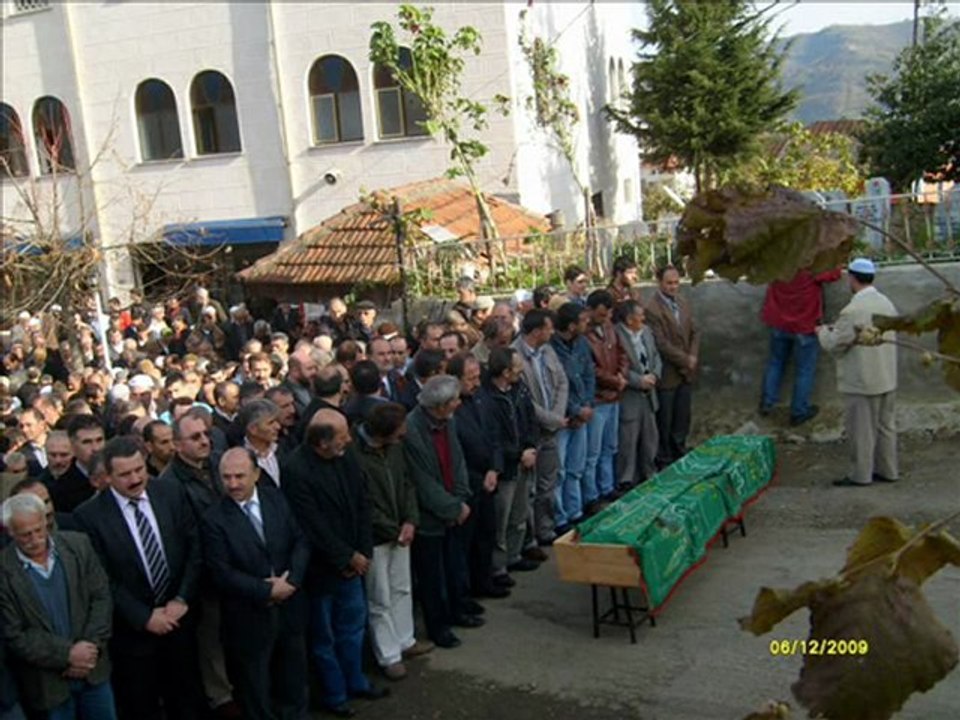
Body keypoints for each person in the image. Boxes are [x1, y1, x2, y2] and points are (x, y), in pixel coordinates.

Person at [74, 437, 206, 720]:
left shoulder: (170, 492)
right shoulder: (89, 517)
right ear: (107, 477)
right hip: (132, 636)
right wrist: (144, 617)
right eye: (125, 474)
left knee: (187, 701)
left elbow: (194, 548)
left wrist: (182, 598)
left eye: (139, 469)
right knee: (140, 706)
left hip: (179, 622)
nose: (135, 479)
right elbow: (101, 578)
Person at [282, 409, 387, 717]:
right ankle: (334, 692)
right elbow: (311, 525)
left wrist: (363, 551)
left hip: (354, 562)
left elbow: (363, 502)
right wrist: (346, 556)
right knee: (323, 637)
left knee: (353, 628)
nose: (350, 440)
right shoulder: (296, 470)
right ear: (322, 442)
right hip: (321, 570)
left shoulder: (347, 456)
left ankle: (355, 679)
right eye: (342, 437)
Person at [201, 448, 310, 720]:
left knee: (293, 675)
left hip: (290, 607)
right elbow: (222, 572)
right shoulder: (213, 519)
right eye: (226, 477)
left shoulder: (276, 499)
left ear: (257, 474)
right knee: (255, 685)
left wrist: (292, 581)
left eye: (240, 476)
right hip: (249, 616)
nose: (233, 484)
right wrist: (267, 590)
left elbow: (301, 541)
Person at [0, 493, 116, 719]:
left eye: (39, 530)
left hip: (94, 671)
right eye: (25, 535)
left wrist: (89, 649)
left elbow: (101, 598)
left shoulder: (78, 546)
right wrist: (67, 655)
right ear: (10, 532)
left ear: (46, 522)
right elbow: (14, 633)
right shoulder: (4, 572)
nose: (35, 539)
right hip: (48, 685)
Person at [353, 403, 433, 681]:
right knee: (380, 597)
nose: (403, 436)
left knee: (402, 587)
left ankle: (405, 639)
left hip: (401, 530)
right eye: (399, 433)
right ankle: (388, 655)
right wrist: (393, 528)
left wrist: (410, 520)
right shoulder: (356, 456)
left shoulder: (395, 449)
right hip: (376, 537)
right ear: (384, 433)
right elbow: (362, 503)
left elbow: (407, 483)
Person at [402, 376, 475, 649]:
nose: (459, 403)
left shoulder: (448, 422)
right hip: (430, 519)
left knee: (454, 565)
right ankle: (438, 626)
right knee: (433, 576)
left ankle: (457, 610)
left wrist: (460, 498)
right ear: (441, 405)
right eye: (455, 400)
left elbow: (457, 461)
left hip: (454, 510)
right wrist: (453, 507)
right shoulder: (412, 429)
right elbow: (422, 481)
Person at [817, 258, 899, 487]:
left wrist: (822, 331)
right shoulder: (886, 302)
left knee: (862, 431)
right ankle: (889, 470)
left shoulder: (852, 310)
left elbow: (836, 343)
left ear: (851, 278)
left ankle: (861, 475)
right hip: (886, 377)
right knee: (886, 427)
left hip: (862, 380)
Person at [447, 354, 506, 600]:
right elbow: (456, 453)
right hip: (468, 483)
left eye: (476, 377)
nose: (476, 383)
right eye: (470, 379)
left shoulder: (482, 399)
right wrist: (476, 477)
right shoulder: (451, 408)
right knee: (466, 542)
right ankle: (466, 591)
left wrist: (494, 468)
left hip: (488, 477)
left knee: (486, 534)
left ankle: (485, 581)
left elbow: (493, 435)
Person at [478, 347, 539, 587]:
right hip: (506, 468)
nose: (520, 372)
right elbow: (492, 438)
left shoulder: (519, 390)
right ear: (504, 372)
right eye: (516, 369)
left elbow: (530, 419)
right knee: (500, 521)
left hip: (524, 461)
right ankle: (498, 566)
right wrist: (517, 454)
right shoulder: (488, 399)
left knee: (520, 513)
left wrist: (531, 446)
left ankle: (515, 555)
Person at [513, 310, 568, 549]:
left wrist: (556, 416)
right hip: (531, 432)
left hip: (551, 430)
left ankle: (546, 529)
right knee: (529, 490)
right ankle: (528, 539)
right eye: (548, 328)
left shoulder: (547, 350)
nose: (552, 332)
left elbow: (561, 382)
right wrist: (552, 419)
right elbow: (525, 401)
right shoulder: (515, 357)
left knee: (548, 483)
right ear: (536, 332)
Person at [760, 267, 842, 425]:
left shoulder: (781, 259)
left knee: (776, 363)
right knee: (804, 370)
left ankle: (767, 403)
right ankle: (799, 411)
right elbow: (834, 273)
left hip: (779, 321)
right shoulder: (812, 262)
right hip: (805, 324)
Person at [645, 266, 699, 468]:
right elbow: (661, 344)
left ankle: (680, 449)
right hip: (668, 372)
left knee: (682, 416)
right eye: (669, 283)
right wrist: (685, 359)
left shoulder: (683, 302)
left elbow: (695, 331)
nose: (673, 287)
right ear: (660, 283)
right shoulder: (652, 309)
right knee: (666, 418)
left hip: (685, 371)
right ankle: (665, 457)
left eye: (676, 282)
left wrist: (692, 355)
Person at [549, 303, 595, 533]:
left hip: (582, 414)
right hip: (563, 419)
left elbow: (588, 374)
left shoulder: (582, 344)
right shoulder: (551, 348)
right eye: (583, 321)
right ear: (571, 325)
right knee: (559, 471)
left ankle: (575, 510)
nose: (587, 325)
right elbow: (555, 386)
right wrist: (574, 410)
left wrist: (586, 405)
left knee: (576, 467)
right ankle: (560, 517)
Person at [583, 290, 628, 503]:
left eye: (608, 314)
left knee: (610, 447)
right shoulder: (585, 334)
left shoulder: (610, 328)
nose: (605, 319)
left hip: (614, 396)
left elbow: (622, 353)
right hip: (599, 398)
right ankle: (592, 495)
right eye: (601, 315)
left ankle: (607, 487)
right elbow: (591, 369)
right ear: (590, 311)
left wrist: (622, 375)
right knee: (593, 452)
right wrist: (614, 380)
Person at [614, 300, 662, 487]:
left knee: (650, 437)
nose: (643, 318)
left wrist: (655, 375)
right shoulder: (616, 335)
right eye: (639, 315)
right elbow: (618, 366)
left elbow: (656, 355)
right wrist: (638, 381)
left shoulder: (646, 332)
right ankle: (627, 480)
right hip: (630, 396)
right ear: (628, 319)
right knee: (628, 441)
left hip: (649, 394)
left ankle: (649, 471)